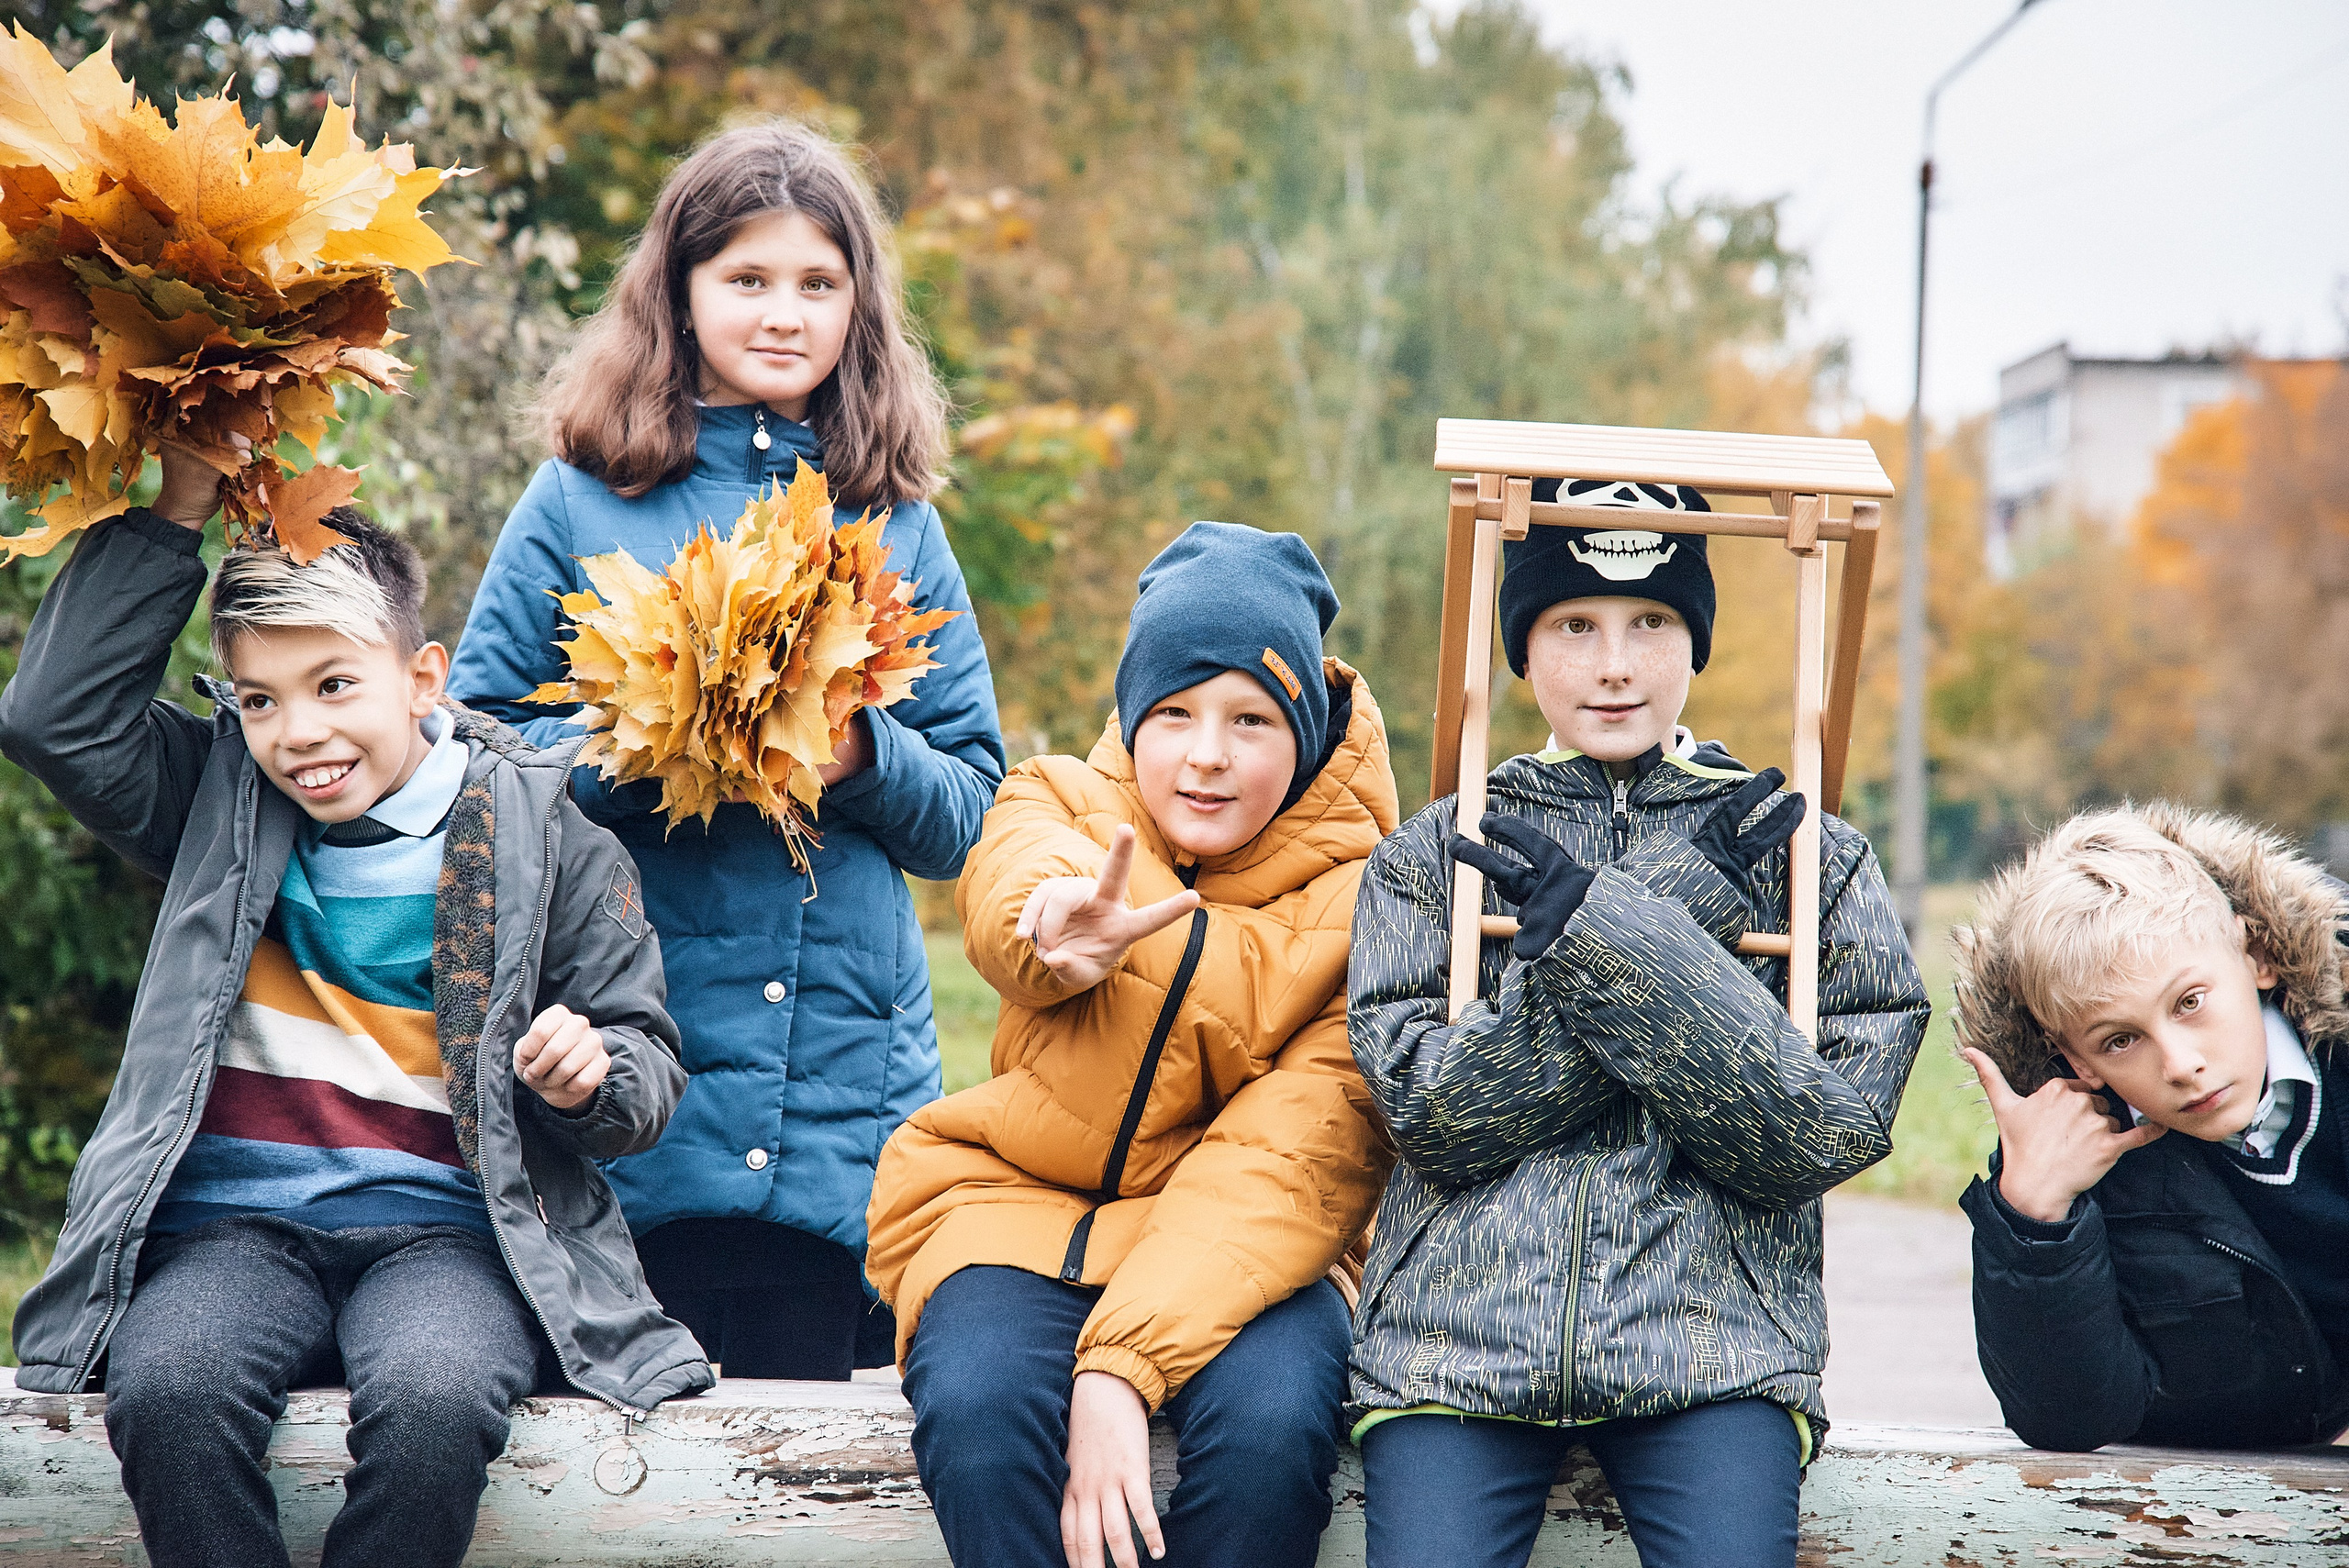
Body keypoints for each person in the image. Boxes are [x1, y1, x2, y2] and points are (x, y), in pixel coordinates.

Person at [0, 447, 706, 1568]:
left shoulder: (544, 834)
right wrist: (178, 505)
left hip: (448, 1237)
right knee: (168, 1387)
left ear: (423, 676)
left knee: (435, 1399)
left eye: (336, 685)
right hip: (235, 1230)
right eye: (261, 700)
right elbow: (53, 719)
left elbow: (645, 1063)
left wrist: (593, 1073)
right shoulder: (217, 803)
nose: (302, 734)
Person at [449, 119, 1004, 1379]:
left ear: (859, 307)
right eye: (746, 279)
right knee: (605, 1462)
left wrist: (857, 754)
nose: (782, 313)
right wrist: (655, 743)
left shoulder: (896, 520)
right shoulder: (584, 493)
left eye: (818, 284)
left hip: (833, 1084)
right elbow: (470, 757)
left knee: (781, 1465)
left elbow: (974, 806)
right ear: (681, 291)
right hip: (622, 1070)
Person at [1344, 484, 1929, 1568]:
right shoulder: (1436, 853)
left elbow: (1814, 1137)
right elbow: (1437, 1116)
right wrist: (1661, 921)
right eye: (1574, 624)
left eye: (1651, 622)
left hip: (1715, 1346)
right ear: (1522, 649)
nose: (1615, 663)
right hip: (1455, 1345)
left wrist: (1610, 933)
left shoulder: (1805, 856)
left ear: (1694, 643)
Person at [866, 522, 1398, 1568]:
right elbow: (1015, 876)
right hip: (1017, 1204)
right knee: (976, 1409)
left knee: (1268, 1438)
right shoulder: (1061, 795)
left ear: (1305, 731)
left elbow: (1287, 1168)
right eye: (1174, 713)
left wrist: (1118, 1368)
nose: (1206, 754)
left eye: (1250, 718)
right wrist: (1051, 928)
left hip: (1259, 1250)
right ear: (1129, 718)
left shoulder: (1373, 897)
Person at [1956, 803, 2349, 1451]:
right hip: (2209, 1510)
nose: (2180, 1064)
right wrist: (2032, 1215)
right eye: (2120, 1040)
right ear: (2077, 1058)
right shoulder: (2073, 1159)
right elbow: (2072, 1417)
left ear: (2255, 956)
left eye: (2190, 1002)